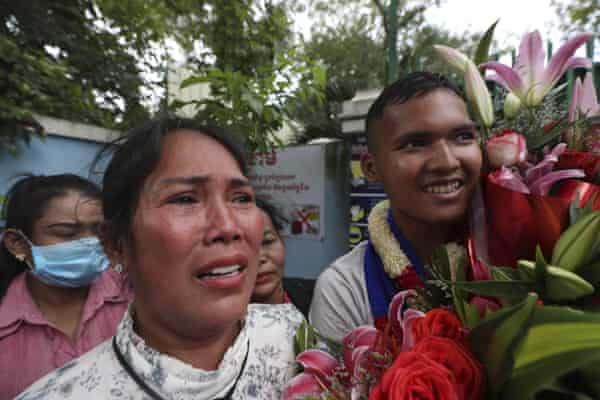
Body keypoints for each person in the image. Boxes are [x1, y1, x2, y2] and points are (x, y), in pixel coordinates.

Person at [16, 115, 304, 400]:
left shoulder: (296, 340)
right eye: (185, 199)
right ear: (117, 244)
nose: (228, 227)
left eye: (241, 198)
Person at [309, 71, 483, 342]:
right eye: (415, 144)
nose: (447, 162)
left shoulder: (521, 252)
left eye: (462, 137)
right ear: (371, 168)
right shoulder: (346, 289)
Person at [0, 174, 130, 399]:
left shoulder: (138, 299)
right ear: (17, 243)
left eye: (99, 232)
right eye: (66, 233)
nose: (90, 243)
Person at [252, 197, 315, 317]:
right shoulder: (216, 328)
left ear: (281, 239)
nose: (260, 258)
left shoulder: (319, 299)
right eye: (246, 249)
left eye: (267, 241)